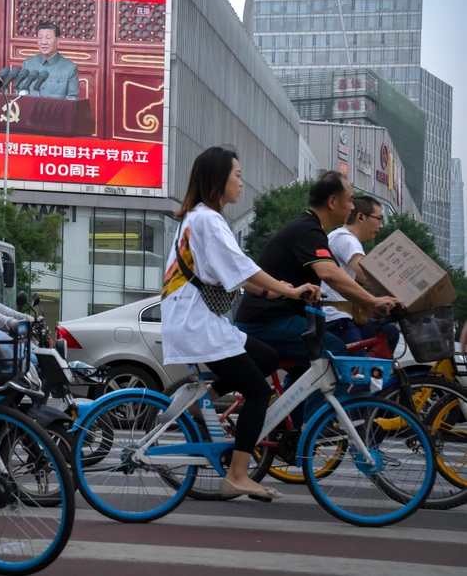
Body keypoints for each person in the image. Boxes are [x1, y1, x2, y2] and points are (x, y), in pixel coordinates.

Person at [161, 146, 320, 501]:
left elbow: (235, 274)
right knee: (259, 392)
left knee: (266, 357)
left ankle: (204, 401)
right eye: (237, 175)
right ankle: (237, 475)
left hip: (194, 319)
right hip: (196, 323)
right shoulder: (208, 220)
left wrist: (277, 290)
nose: (241, 183)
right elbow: (244, 269)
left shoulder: (197, 218)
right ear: (219, 180)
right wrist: (289, 290)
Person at [235, 172, 398, 361]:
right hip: (268, 320)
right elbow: (330, 274)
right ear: (332, 201)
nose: (353, 207)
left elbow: (335, 274)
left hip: (275, 317)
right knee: (335, 351)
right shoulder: (308, 230)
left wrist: (364, 303)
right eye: (350, 200)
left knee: (311, 366)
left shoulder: (311, 229)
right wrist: (372, 301)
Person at [320, 195, 400, 356]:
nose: (381, 225)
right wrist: (401, 292)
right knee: (357, 367)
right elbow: (365, 273)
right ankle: (366, 372)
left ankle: (375, 371)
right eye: (379, 219)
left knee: (389, 332)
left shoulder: (339, 237)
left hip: (342, 315)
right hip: (335, 318)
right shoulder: (346, 239)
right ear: (361, 217)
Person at [21, 22, 79, 100]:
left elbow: (72, 98)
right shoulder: (28, 64)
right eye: (40, 38)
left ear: (57, 41)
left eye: (48, 38)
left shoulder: (70, 68)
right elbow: (19, 92)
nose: (43, 42)